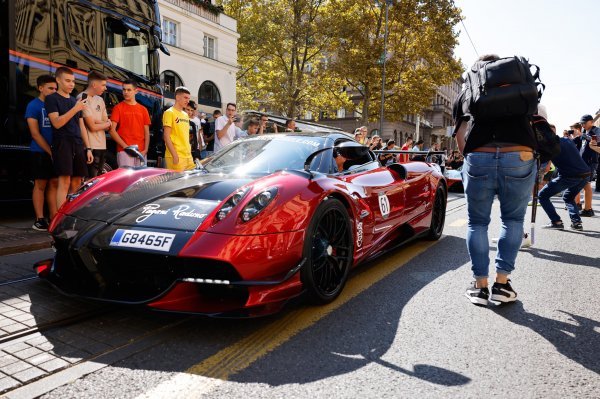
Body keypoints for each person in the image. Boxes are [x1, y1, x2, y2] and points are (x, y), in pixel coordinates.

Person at [454, 54, 538, 306]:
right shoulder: (518, 82)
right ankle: (502, 284)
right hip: (519, 153)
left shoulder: (469, 87)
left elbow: (460, 133)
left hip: (480, 155)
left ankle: (480, 287)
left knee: (477, 223)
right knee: (512, 219)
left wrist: (468, 157)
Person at [45, 66, 93, 209]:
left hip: (77, 143)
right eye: (68, 81)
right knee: (64, 180)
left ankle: (71, 214)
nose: (72, 84)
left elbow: (81, 126)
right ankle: (60, 219)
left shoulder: (74, 101)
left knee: (77, 181)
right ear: (58, 80)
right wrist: (75, 109)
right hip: (62, 143)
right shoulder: (51, 99)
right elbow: (57, 123)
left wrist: (88, 148)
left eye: (73, 81)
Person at [26, 75, 58, 230]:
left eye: (55, 88)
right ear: (40, 88)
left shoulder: (56, 105)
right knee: (40, 184)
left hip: (55, 151)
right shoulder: (34, 105)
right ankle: (39, 219)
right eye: (50, 88)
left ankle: (53, 217)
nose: (53, 91)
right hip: (39, 151)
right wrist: (49, 151)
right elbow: (35, 133)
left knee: (53, 183)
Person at [539, 135, 591, 230]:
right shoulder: (567, 139)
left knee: (542, 195)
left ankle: (556, 221)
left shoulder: (548, 147)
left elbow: (545, 168)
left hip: (570, 176)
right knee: (568, 197)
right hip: (586, 173)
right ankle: (577, 223)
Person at [109, 80, 151, 167]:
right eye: (124, 90)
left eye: (129, 90)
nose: (125, 92)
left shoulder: (143, 110)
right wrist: (126, 147)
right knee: (127, 180)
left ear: (136, 91)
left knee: (141, 180)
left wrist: (146, 149)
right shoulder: (118, 108)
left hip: (141, 152)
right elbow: (112, 130)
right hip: (124, 152)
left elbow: (147, 132)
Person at [79, 70, 111, 177]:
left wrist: (97, 122)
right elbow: (92, 127)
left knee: (98, 180)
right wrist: (104, 124)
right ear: (94, 84)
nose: (105, 88)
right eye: (103, 85)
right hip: (90, 146)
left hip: (102, 145)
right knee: (89, 181)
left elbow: (107, 123)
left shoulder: (100, 100)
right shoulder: (82, 98)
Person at [163, 87, 194, 171]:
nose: (188, 101)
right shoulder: (169, 112)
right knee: (177, 183)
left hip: (188, 156)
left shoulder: (185, 115)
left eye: (188, 98)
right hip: (176, 156)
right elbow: (166, 136)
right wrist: (174, 155)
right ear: (177, 97)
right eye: (185, 97)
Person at [577, 114, 598, 216]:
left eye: (584, 123)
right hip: (583, 161)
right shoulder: (585, 132)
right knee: (585, 184)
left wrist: (583, 135)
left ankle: (588, 209)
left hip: (590, 161)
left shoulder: (596, 130)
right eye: (581, 123)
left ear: (591, 122)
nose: (582, 125)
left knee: (587, 184)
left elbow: (597, 141)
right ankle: (586, 208)